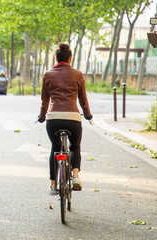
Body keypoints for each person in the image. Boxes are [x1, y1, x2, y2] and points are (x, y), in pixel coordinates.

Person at [38, 42, 92, 195]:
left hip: (53, 119)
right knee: (75, 147)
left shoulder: (47, 75)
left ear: (56, 58)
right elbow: (83, 100)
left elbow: (44, 101)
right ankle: (75, 176)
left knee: (55, 148)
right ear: (70, 58)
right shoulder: (78, 75)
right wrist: (87, 114)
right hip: (73, 118)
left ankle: (53, 184)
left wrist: (42, 117)